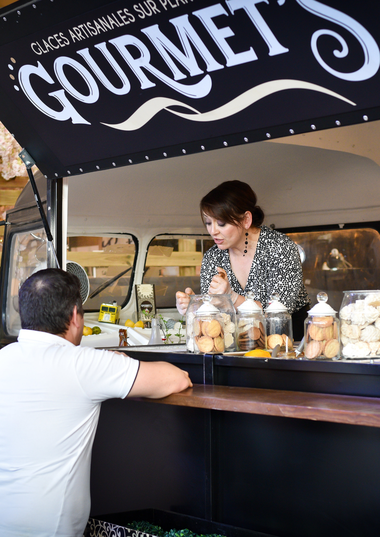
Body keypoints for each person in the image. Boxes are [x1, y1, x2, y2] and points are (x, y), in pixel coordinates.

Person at [0, 268, 192, 537]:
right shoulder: (82, 364)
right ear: (76, 317)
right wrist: (121, 363)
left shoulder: (4, 358)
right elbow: (176, 379)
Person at [176, 180, 310, 340]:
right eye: (208, 223)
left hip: (287, 343)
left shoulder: (280, 248)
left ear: (246, 219)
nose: (213, 231)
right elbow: (213, 319)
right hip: (237, 344)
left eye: (221, 223)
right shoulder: (212, 257)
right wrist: (193, 306)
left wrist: (231, 297)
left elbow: (277, 314)